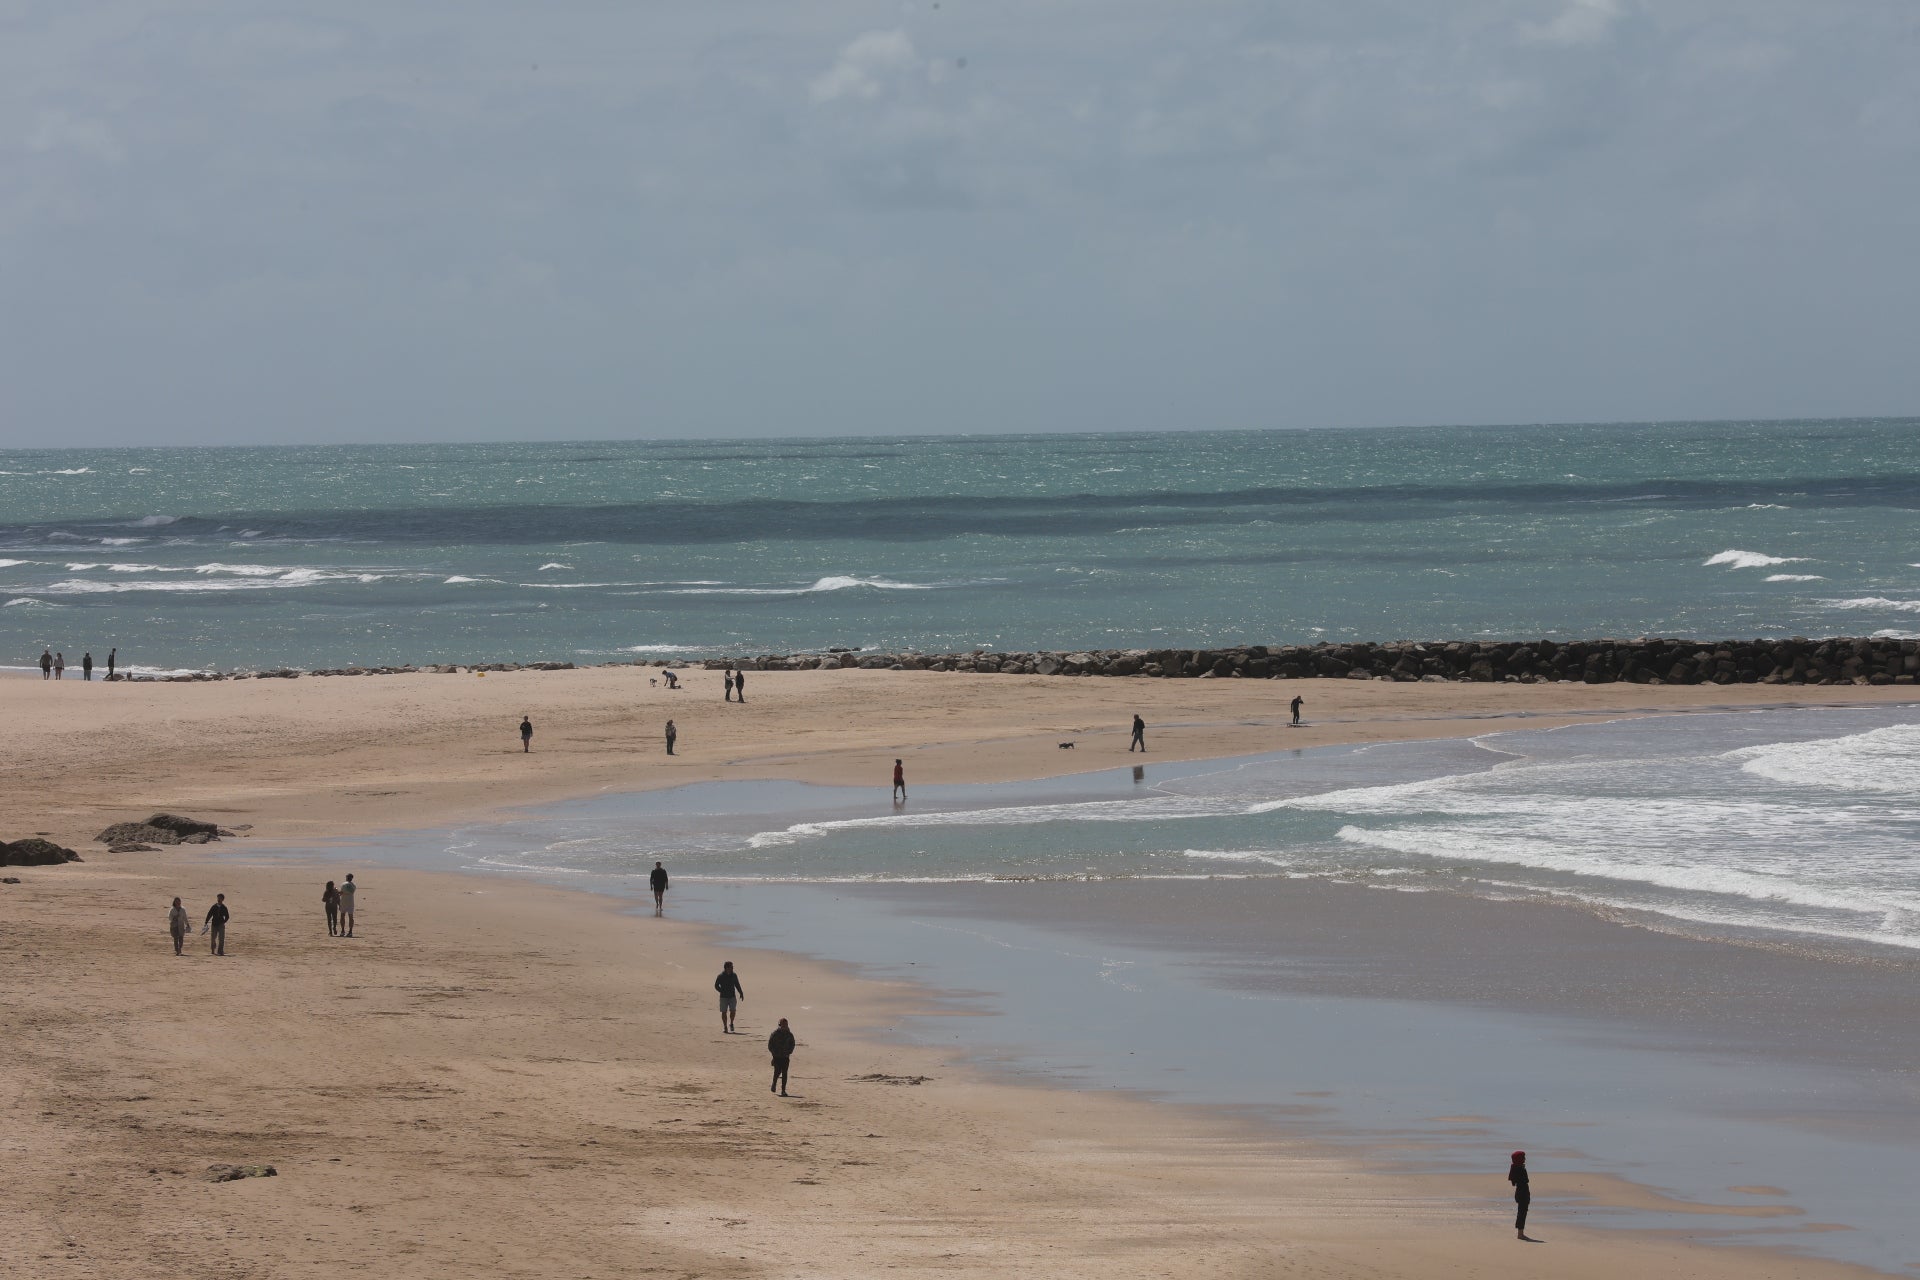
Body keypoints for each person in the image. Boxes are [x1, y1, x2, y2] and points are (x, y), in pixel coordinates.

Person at [714, 960, 744, 1033]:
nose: (732, 968)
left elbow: (737, 984)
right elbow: (716, 985)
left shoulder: (734, 975)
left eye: (732, 967)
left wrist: (741, 993)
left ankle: (731, 1023)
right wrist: (722, 991)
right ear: (726, 968)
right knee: (724, 1012)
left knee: (733, 1011)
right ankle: (725, 1027)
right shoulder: (720, 976)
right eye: (731, 967)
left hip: (732, 997)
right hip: (723, 997)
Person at [1508, 1150, 1532, 1240]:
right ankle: (1520, 1234)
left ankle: (1520, 1233)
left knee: (1522, 1212)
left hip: (1520, 1192)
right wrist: (1523, 1169)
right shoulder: (1519, 1169)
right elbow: (1525, 1180)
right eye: (1523, 1157)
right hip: (1522, 1192)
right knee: (1522, 1212)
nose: (1525, 1159)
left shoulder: (1515, 1168)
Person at [768, 1018, 795, 1096]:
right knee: (777, 1072)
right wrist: (774, 1054)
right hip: (777, 1057)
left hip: (786, 1057)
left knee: (785, 1073)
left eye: (786, 1024)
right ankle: (774, 1083)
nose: (784, 1026)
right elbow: (770, 1045)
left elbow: (792, 1044)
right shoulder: (775, 1034)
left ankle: (783, 1090)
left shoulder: (789, 1034)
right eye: (783, 1024)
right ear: (779, 1025)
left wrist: (789, 1052)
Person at [338, 873, 357, 937]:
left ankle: (342, 930)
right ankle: (350, 931)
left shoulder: (344, 884)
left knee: (342, 915)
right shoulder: (354, 886)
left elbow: (341, 893)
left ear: (346, 877)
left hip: (344, 901)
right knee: (351, 917)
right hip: (350, 902)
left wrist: (336, 891)